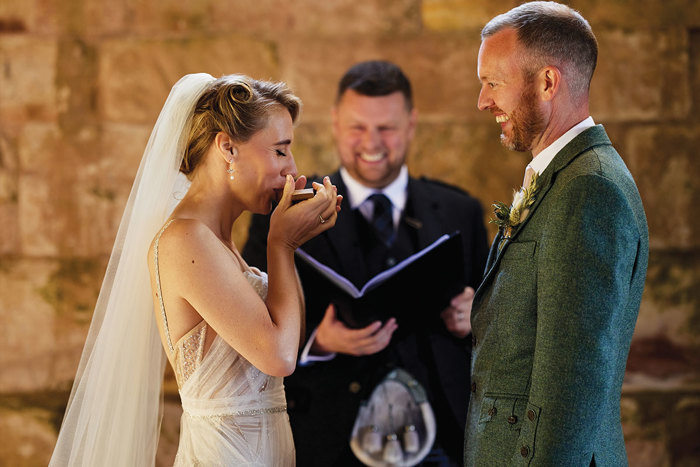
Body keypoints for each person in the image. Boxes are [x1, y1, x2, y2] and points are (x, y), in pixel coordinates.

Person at [49, 73, 341, 466]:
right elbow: (280, 357)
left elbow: (283, 337)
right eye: (279, 151)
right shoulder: (185, 240)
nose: (291, 168)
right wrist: (281, 245)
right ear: (228, 149)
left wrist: (288, 244)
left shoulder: (219, 241)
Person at [243, 60, 489, 466]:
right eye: (358, 127)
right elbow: (252, 330)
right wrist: (316, 344)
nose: (372, 142)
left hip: (446, 439)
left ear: (411, 124)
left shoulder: (459, 210)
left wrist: (476, 320)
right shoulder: (284, 212)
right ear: (336, 123)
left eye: (386, 128)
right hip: (329, 441)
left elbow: (498, 330)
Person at [465, 2, 649, 466]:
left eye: (493, 82)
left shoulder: (589, 189)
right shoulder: (566, 176)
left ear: (547, 82)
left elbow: (573, 379)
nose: (483, 101)